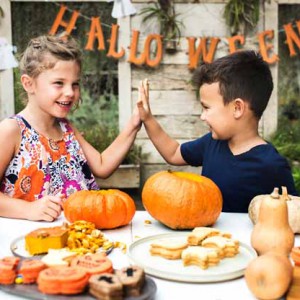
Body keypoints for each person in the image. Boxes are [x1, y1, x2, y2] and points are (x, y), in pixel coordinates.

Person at [0, 35, 141, 221]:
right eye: (59, 83)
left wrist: (134, 124)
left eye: (75, 84)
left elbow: (102, 165)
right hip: (29, 242)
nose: (70, 92)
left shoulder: (66, 129)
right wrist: (28, 210)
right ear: (29, 83)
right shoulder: (11, 130)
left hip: (77, 239)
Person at [137, 50, 298, 213]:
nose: (202, 116)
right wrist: (148, 119)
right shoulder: (211, 143)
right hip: (209, 237)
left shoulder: (272, 165)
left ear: (237, 108)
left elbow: (293, 213)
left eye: (206, 107)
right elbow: (173, 153)